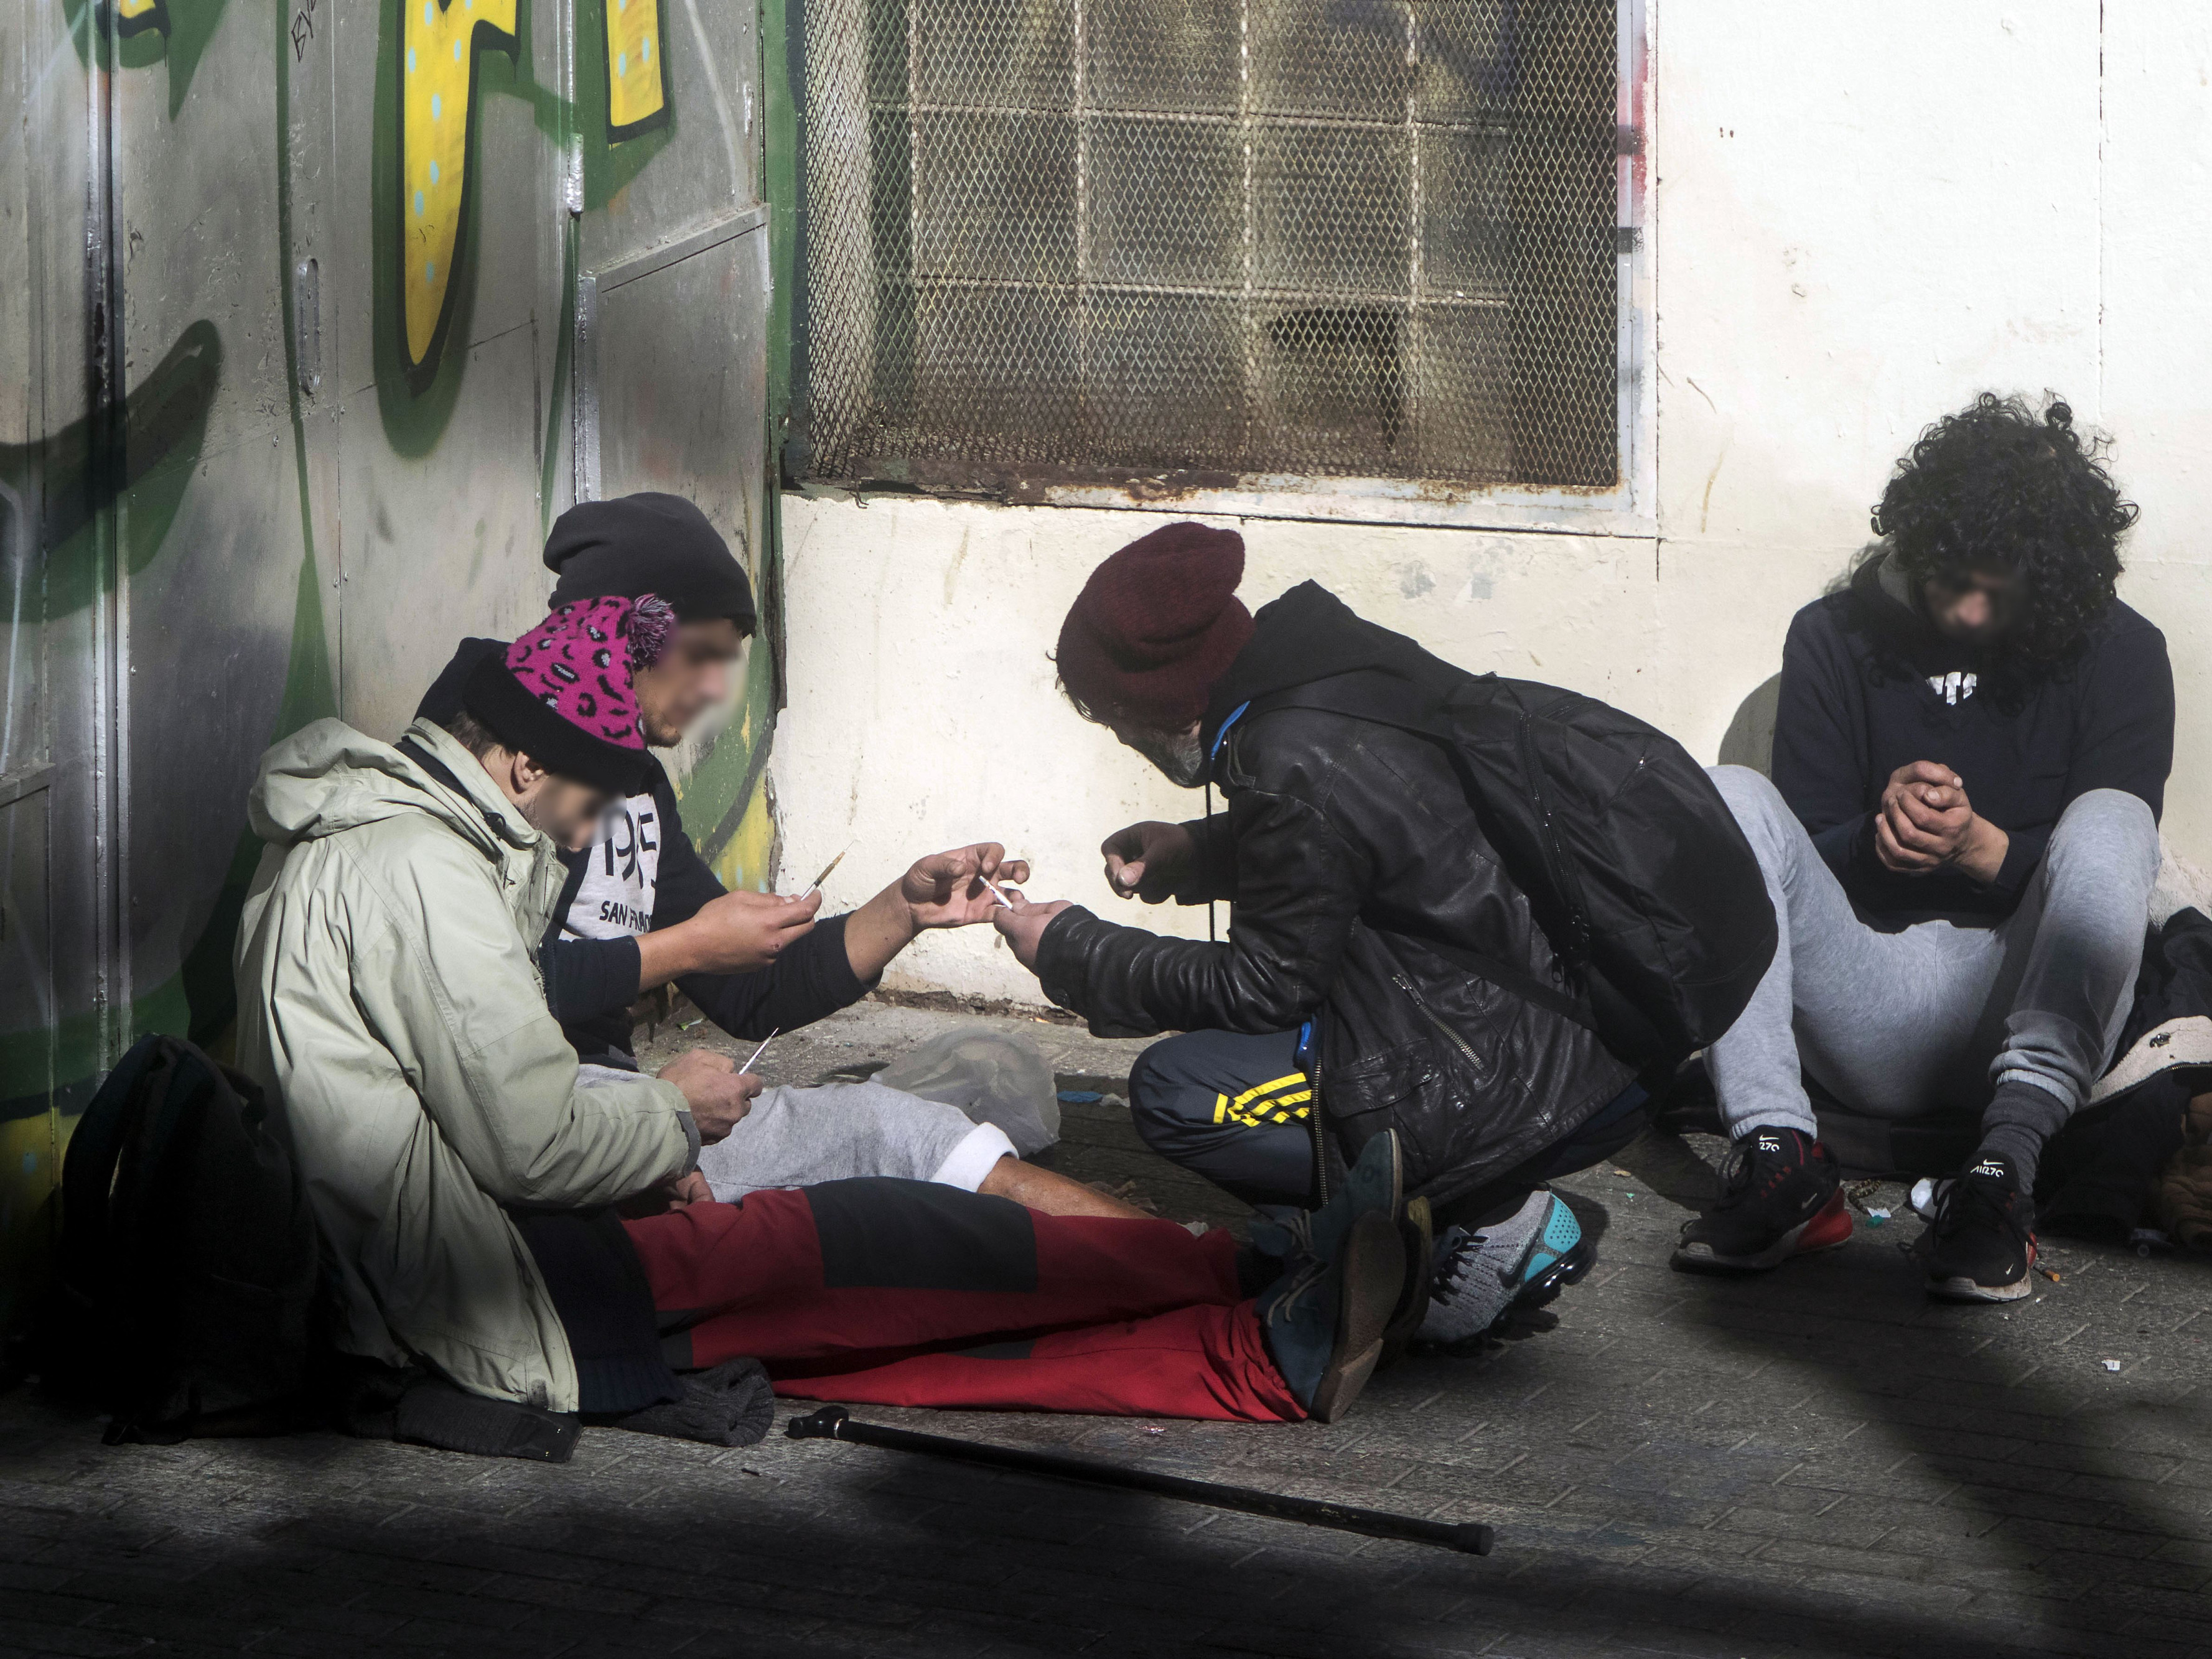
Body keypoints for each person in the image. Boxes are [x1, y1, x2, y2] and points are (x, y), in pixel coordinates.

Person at [236, 597, 1415, 1428]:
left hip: (519, 1237)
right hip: (501, 1288)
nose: (594, 834)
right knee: (892, 1260)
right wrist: (665, 1115)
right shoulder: (420, 872)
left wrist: (884, 918)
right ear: (527, 767)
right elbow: (527, 1135)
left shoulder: (390, 847)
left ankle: (1260, 1286)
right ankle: (1260, 1325)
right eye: (593, 798)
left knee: (903, 1265)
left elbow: (495, 1100)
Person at [988, 523, 1633, 1348]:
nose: (1119, 740)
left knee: (1177, 1091)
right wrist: (1199, 852)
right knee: (1241, 1061)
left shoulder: (1283, 756)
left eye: (1116, 719)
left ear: (1157, 699)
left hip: (1512, 1066)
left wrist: (1073, 947)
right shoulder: (1330, 676)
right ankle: (1412, 1218)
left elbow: (1267, 985)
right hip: (1560, 1019)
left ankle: (1487, 1214)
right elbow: (1365, 844)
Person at [415, 493, 1136, 1222]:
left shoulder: (639, 786)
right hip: (511, 1131)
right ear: (621, 629)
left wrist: (904, 909)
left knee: (903, 1131)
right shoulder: (485, 736)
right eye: (701, 655)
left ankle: (1188, 1268)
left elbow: (748, 997)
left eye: (728, 662)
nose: (714, 691)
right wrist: (688, 952)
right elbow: (475, 996)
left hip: (631, 1109)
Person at [1673, 393, 2172, 1304]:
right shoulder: (1832, 635)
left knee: (2115, 815)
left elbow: (2111, 873)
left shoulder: (2124, 652)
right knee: (1728, 792)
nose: (1974, 610)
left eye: (2002, 590)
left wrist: (1984, 849)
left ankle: (2001, 1180)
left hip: (2020, 1001)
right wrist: (1876, 843)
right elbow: (1809, 848)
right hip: (1863, 995)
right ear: (1919, 547)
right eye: (1954, 580)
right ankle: (1777, 1157)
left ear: (2051, 579)